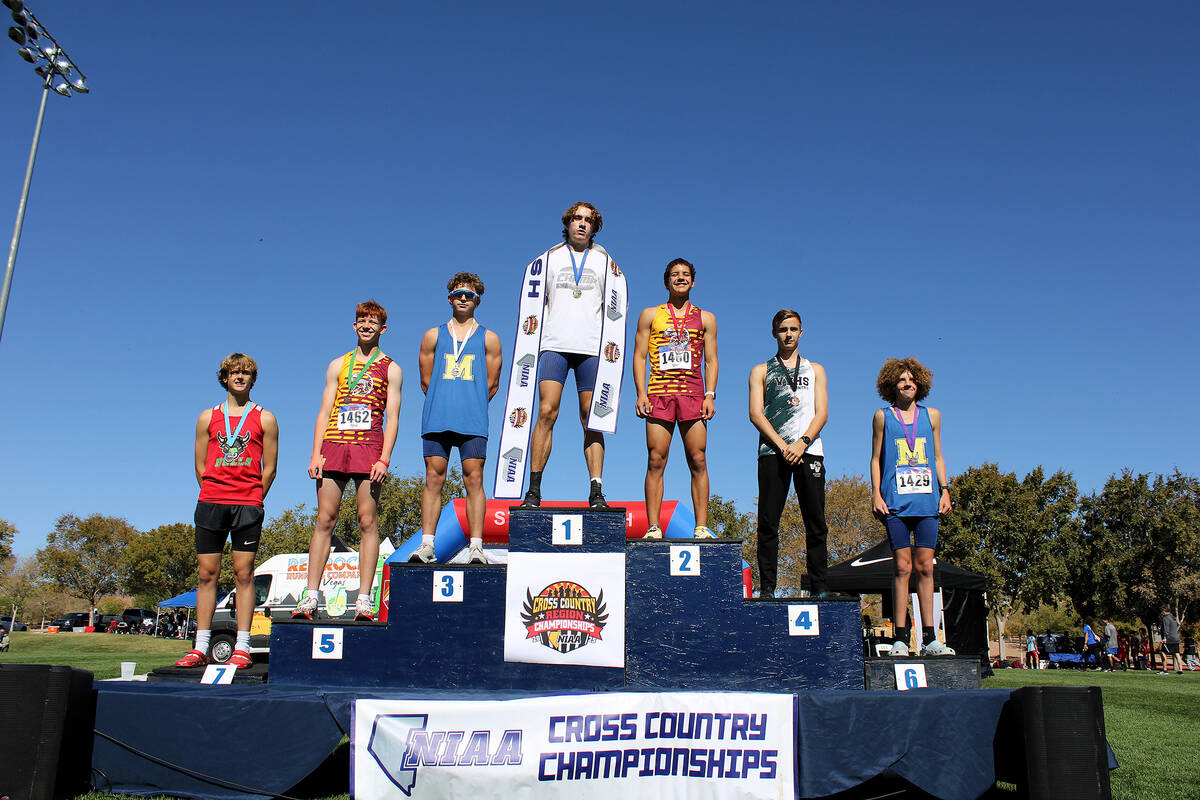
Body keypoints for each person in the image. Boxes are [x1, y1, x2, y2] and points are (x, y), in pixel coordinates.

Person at [294, 301, 403, 621]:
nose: (366, 325)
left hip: (370, 448)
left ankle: (364, 599)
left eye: (373, 321)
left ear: (383, 329)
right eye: (361, 320)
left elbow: (393, 417)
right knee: (325, 519)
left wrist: (384, 459)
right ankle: (310, 597)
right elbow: (325, 409)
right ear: (354, 326)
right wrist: (316, 452)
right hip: (334, 446)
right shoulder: (337, 365)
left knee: (367, 521)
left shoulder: (392, 368)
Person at [176, 354, 278, 669]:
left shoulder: (265, 418)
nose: (240, 376)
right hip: (211, 502)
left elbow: (270, 469)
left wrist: (252, 498)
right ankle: (201, 647)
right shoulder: (207, 417)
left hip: (247, 505)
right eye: (235, 372)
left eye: (246, 372)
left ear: (253, 379)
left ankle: (243, 646)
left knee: (244, 574)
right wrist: (213, 491)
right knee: (207, 574)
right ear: (224, 377)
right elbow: (199, 464)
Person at [521, 202, 620, 509]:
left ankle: (596, 491)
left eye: (588, 220)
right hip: (555, 344)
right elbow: (535, 301)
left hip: (591, 348)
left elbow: (616, 307)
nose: (581, 224)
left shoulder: (606, 262)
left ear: (594, 227)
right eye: (577, 218)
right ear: (567, 223)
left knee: (591, 418)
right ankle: (534, 491)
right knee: (546, 412)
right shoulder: (548, 258)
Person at [409, 273, 502, 565]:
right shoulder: (433, 335)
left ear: (478, 301)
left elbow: (492, 384)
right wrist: (447, 400)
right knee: (433, 478)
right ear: (450, 298)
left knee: (474, 479)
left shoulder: (489, 338)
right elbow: (426, 382)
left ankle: (476, 546)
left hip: (473, 420)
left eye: (470, 294)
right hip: (437, 417)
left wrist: (468, 403)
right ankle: (427, 545)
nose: (464, 298)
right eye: (459, 293)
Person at [870, 357, 954, 657]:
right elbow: (876, 458)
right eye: (902, 380)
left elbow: (940, 456)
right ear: (891, 385)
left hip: (927, 501)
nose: (908, 384)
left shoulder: (932, 416)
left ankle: (931, 638)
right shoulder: (883, 417)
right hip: (895, 503)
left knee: (925, 568)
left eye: (912, 380)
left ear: (920, 383)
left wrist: (945, 491)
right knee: (902, 568)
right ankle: (901, 639)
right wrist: (877, 494)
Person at [632, 258, 718, 540]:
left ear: (693, 281)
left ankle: (701, 527)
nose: (680, 278)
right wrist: (641, 393)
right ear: (667, 281)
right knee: (656, 459)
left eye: (685, 275)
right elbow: (639, 356)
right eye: (674, 275)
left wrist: (710, 395)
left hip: (693, 394)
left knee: (698, 459)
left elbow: (711, 359)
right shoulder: (649, 315)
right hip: (659, 393)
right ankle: (654, 526)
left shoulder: (706, 318)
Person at [748, 309, 830, 598]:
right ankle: (768, 587)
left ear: (801, 332)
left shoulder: (815, 369)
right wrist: (783, 446)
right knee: (769, 521)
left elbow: (822, 413)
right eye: (783, 329)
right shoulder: (761, 370)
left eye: (794, 329)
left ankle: (819, 586)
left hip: (809, 451)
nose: (789, 334)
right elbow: (755, 414)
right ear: (774, 333)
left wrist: (802, 443)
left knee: (816, 522)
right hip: (773, 451)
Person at [1160, 605, 1183, 674]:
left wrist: (1164, 638)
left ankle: (1165, 669)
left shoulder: (1165, 618)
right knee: (1177, 653)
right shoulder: (1173, 617)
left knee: (1163, 652)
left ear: (1164, 611)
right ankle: (1180, 669)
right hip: (1176, 638)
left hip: (1169, 638)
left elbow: (1166, 628)